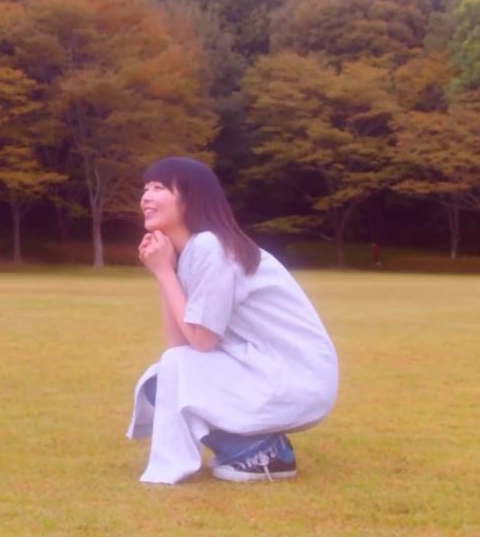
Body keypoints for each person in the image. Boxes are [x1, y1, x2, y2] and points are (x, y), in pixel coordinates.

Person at [127, 156, 339, 484]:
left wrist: (165, 272)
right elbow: (180, 347)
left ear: (190, 198)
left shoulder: (211, 247)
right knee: (161, 379)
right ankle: (255, 444)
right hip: (264, 369)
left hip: (293, 376)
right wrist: (165, 272)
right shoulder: (194, 252)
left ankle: (263, 453)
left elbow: (201, 341)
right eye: (145, 189)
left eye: (158, 188)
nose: (146, 197)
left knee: (172, 374)